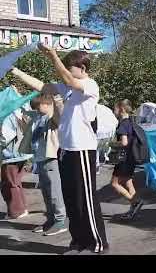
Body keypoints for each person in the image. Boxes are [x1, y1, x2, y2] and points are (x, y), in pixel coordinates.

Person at [11, 44, 108, 254]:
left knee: (86, 200)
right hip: (66, 151)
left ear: (82, 68)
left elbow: (68, 79)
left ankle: (96, 244)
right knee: (72, 199)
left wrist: (53, 55)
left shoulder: (90, 85)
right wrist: (15, 71)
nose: (65, 69)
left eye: (69, 66)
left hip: (82, 150)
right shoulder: (69, 90)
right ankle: (79, 242)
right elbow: (43, 87)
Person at [16, 89, 68, 236]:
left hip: (51, 158)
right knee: (45, 191)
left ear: (47, 104)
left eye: (38, 107)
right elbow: (28, 125)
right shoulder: (39, 117)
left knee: (54, 191)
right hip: (40, 158)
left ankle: (60, 220)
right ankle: (50, 219)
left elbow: (59, 113)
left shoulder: (53, 116)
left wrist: (56, 100)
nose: (36, 110)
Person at [110, 99, 143, 220]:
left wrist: (112, 144)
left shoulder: (123, 123)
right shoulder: (131, 122)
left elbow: (124, 142)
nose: (114, 111)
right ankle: (133, 209)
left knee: (114, 183)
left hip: (123, 158)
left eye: (115, 109)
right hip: (131, 157)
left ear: (121, 109)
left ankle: (134, 202)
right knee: (128, 181)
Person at [0, 107, 31, 220]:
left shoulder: (7, 116)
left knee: (10, 183)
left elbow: (5, 137)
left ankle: (16, 211)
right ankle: (22, 208)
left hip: (11, 155)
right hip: (20, 154)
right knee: (16, 182)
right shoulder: (17, 111)